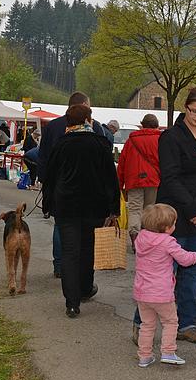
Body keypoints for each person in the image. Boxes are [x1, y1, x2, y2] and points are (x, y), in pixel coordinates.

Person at [133, 88, 196, 345]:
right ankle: (141, 322)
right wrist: (191, 208)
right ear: (186, 108)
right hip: (174, 212)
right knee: (162, 271)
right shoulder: (171, 137)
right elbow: (170, 178)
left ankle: (186, 322)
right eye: (194, 111)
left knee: (193, 269)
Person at [41, 103, 120, 318]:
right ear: (87, 120)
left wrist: (48, 205)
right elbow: (110, 179)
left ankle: (72, 302)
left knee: (69, 252)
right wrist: (114, 208)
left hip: (66, 206)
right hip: (94, 206)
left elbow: (50, 177)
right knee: (87, 249)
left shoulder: (61, 144)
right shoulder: (100, 144)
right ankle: (85, 288)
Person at [38, 92, 107, 278]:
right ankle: (81, 272)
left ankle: (60, 265)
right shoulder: (95, 128)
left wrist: (44, 181)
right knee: (85, 232)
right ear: (84, 107)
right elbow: (103, 160)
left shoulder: (52, 127)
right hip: (88, 188)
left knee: (61, 225)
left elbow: (42, 155)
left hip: (59, 186)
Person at [134, 203, 196, 367]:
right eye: (174, 224)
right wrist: (194, 256)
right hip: (161, 293)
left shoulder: (141, 237)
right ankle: (168, 352)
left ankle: (144, 356)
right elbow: (184, 258)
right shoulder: (167, 242)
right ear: (166, 228)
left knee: (147, 325)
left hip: (142, 292)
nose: (175, 226)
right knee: (171, 322)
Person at [116, 114, 161, 249]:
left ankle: (135, 238)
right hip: (154, 180)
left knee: (135, 210)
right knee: (150, 209)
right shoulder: (160, 139)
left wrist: (119, 183)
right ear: (157, 125)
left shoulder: (131, 140)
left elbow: (122, 163)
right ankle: (148, 239)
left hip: (134, 180)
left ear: (142, 124)